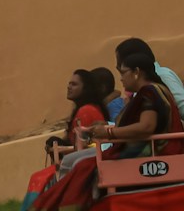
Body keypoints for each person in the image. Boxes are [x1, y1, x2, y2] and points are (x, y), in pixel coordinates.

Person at [34, 47, 184, 211]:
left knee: (82, 167)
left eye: (123, 72)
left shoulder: (149, 92)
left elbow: (146, 127)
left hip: (152, 154)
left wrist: (109, 133)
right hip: (149, 149)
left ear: (137, 72)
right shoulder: (155, 90)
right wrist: (107, 128)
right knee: (81, 165)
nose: (121, 79)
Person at [46, 69, 116, 167]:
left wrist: (58, 149)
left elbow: (83, 147)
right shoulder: (86, 108)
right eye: (69, 84)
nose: (69, 87)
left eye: (74, 84)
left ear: (85, 89)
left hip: (88, 162)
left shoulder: (86, 111)